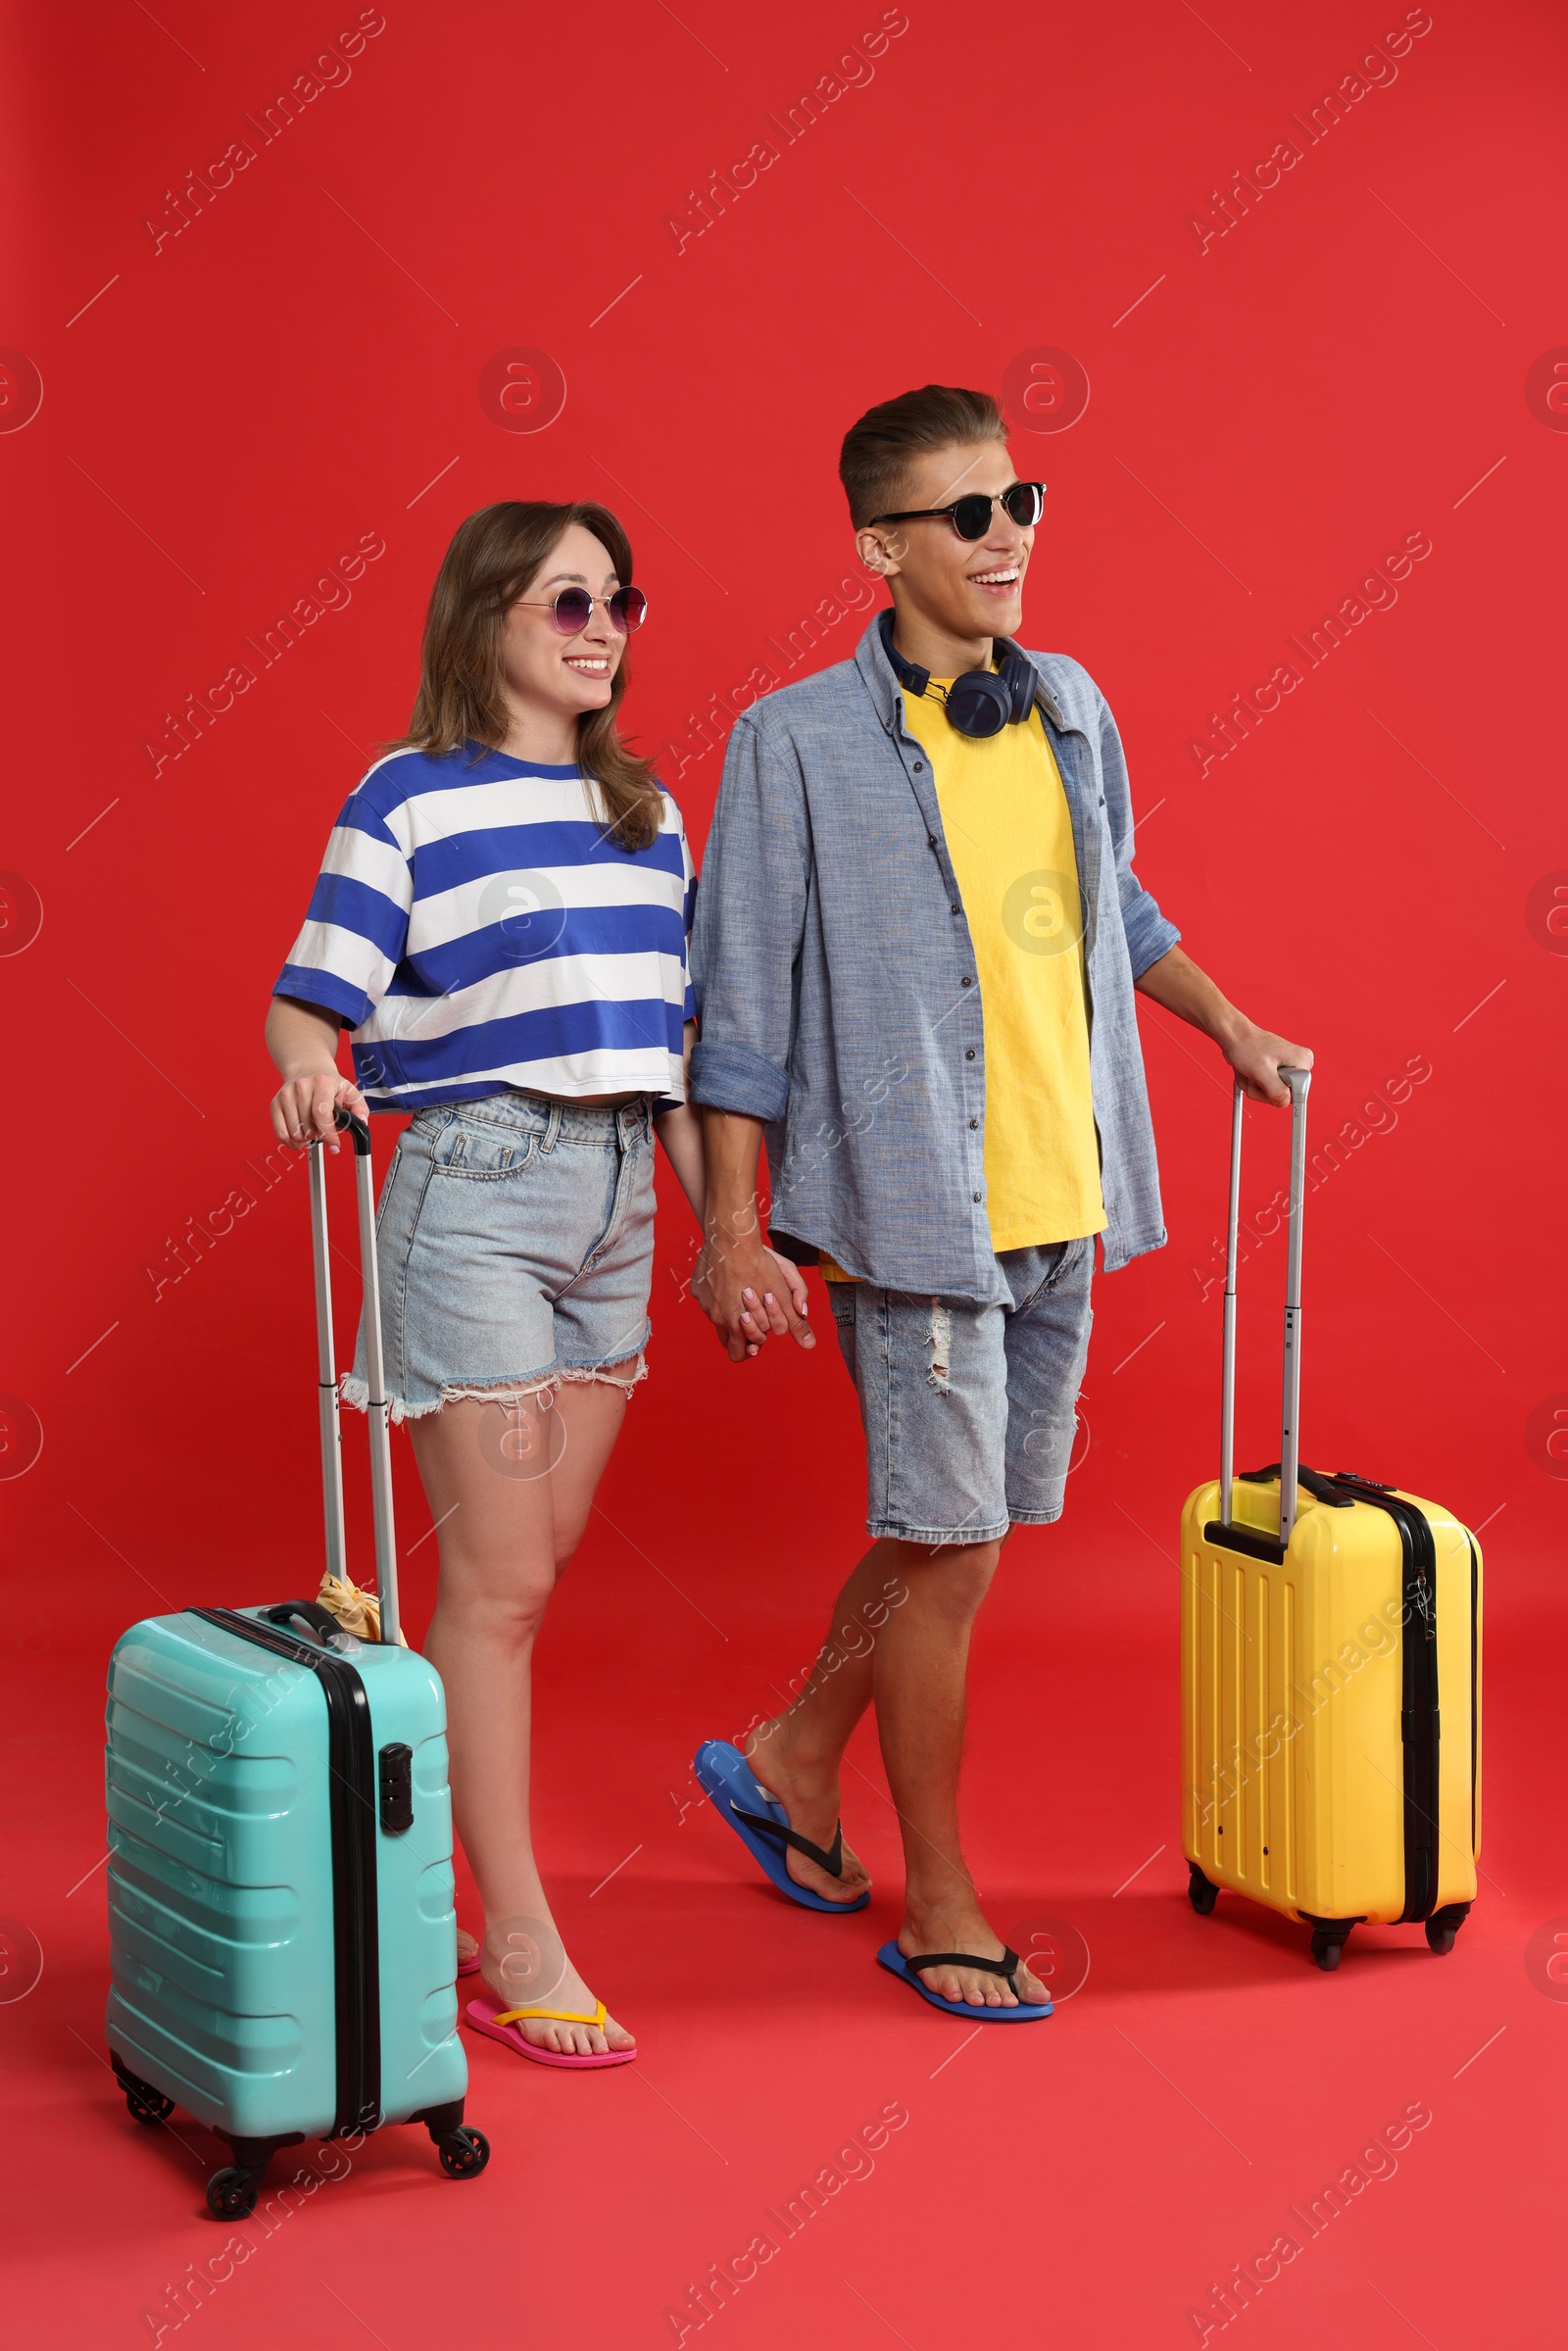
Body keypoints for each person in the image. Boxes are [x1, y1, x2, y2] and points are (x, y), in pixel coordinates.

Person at [688, 385, 1312, 2018]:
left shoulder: (1071, 707)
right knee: (953, 1551)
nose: (1009, 533)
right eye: (968, 512)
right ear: (880, 547)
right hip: (910, 1217)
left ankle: (790, 1759)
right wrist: (735, 1232)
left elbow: (1121, 902)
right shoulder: (794, 741)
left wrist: (1230, 1024)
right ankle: (944, 1900)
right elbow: (739, 1005)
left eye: (1021, 498)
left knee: (943, 1534)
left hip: (1066, 1200)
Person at [265, 498, 806, 2065]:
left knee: (526, 1573)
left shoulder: (649, 815)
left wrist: (731, 1233)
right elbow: (313, 1001)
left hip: (620, 1203)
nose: (602, 626)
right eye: (569, 599)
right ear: (487, 613)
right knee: (497, 1594)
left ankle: (435, 1872)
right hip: (475, 1195)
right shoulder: (407, 801)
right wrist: (312, 1076)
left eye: (621, 600)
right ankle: (513, 1935)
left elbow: (693, 1054)